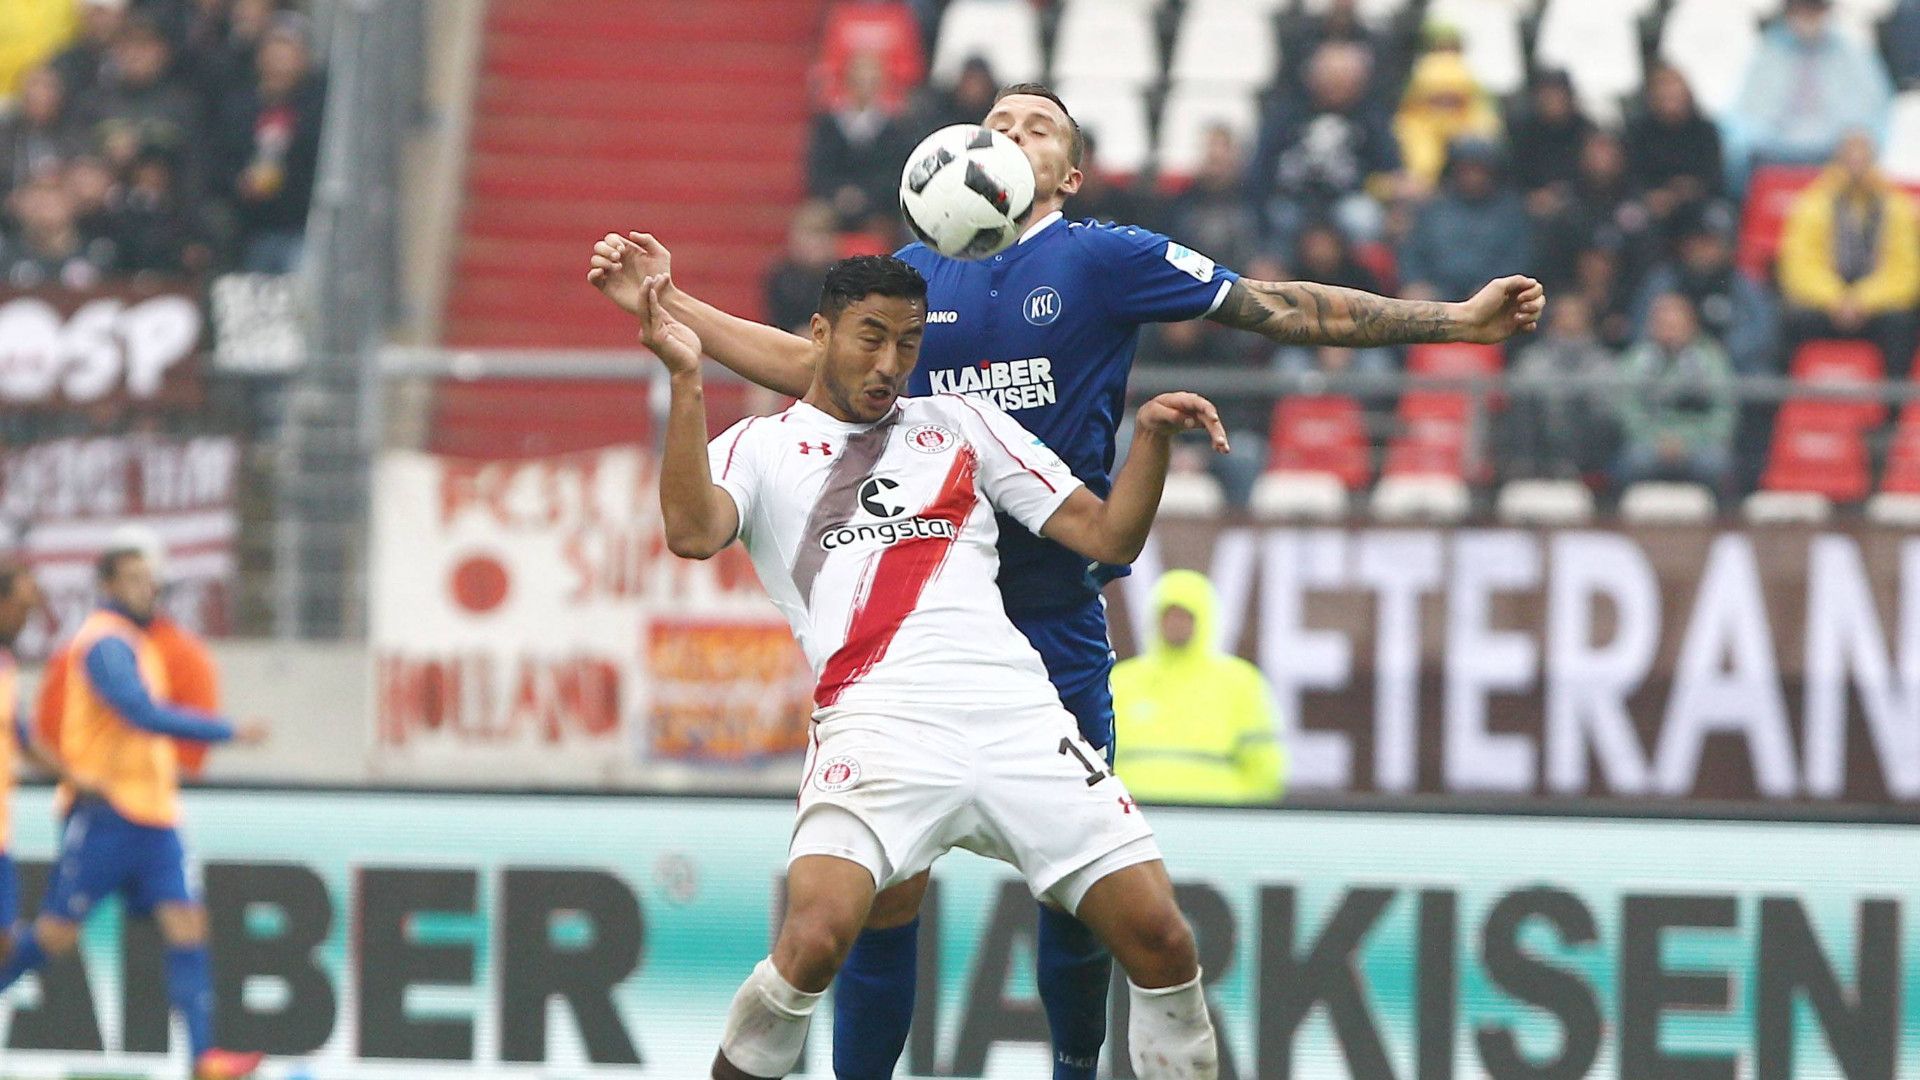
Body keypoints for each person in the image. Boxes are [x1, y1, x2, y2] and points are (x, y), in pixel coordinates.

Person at [588, 81, 1543, 1080]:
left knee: (1082, 901)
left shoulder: (1104, 257)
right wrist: (668, 305)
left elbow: (1278, 308)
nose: (1009, 137)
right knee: (881, 900)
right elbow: (815, 366)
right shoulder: (916, 276)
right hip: (909, 637)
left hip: (1048, 616)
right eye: (996, 123)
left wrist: (1454, 322)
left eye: (1038, 127)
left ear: (1070, 174)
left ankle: (1074, 1068)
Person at [632, 257, 1224, 1079]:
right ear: (820, 334)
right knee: (811, 942)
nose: (888, 366)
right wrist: (687, 378)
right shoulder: (761, 448)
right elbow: (694, 530)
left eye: (908, 344)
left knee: (1163, 939)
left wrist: (1151, 437)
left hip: (1018, 717)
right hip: (879, 723)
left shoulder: (959, 424)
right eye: (871, 339)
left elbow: (1108, 537)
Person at [0, 548, 268, 1080]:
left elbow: (21, 732)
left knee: (188, 922)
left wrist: (61, 770)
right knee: (54, 935)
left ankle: (205, 1058)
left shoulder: (134, 644)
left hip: (154, 815)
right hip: (106, 815)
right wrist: (226, 730)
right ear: (107, 585)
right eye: (134, 579)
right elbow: (138, 710)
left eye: (152, 579)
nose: (148, 588)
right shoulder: (103, 642)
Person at [1111, 570, 1284, 805]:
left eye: (1185, 615)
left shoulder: (1240, 682)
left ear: (1205, 618)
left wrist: (1240, 816)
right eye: (1168, 615)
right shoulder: (1120, 680)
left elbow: (1266, 768)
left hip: (1215, 825)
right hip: (1132, 821)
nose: (1175, 623)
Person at [1778, 131, 1920, 377]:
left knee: (1902, 324)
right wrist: (1837, 299)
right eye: (1849, 160)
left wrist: (1862, 301)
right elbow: (1799, 267)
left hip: (1877, 306)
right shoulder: (1813, 203)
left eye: (1863, 160)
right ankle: (1779, 408)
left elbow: (1906, 272)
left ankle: (1893, 409)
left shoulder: (1896, 207)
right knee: (1789, 321)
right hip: (1826, 304)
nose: (1857, 168)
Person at [1249, 41, 1401, 246]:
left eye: (1345, 79)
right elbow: (1262, 164)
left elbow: (1390, 166)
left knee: (1364, 219)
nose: (1336, 86)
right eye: (1330, 77)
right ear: (1313, 78)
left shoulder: (1370, 118)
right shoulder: (1287, 113)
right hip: (1292, 198)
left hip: (1347, 199)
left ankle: (1359, 277)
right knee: (1275, 218)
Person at [1725, 0, 1892, 180]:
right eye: (1801, 9)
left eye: (1814, 9)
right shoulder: (1769, 52)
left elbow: (1874, 111)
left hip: (1834, 157)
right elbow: (1744, 113)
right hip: (1774, 156)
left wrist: (1860, 138)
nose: (1808, 16)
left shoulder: (1852, 54)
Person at [214, 15, 324, 273]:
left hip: (300, 226)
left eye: (289, 50)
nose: (280, 59)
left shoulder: (317, 106)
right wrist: (237, 182)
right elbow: (221, 157)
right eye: (274, 49)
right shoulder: (240, 106)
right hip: (252, 229)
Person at [1631, 199, 1777, 375]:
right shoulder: (1664, 281)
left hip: (1734, 372)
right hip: (1667, 369)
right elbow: (1639, 331)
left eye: (1714, 242)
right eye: (1700, 241)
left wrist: (1713, 355)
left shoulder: (1744, 285)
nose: (1705, 249)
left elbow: (1763, 334)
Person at [0, 563, 63, 965]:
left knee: (5, 944)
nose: (26, 621)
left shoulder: (6, 665)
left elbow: (19, 736)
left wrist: (76, 775)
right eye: (22, 609)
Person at [1613, 293, 1737, 491]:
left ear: (1692, 326)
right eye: (1663, 325)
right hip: (1649, 443)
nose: (1670, 332)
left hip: (1698, 445)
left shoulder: (1711, 359)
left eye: (1676, 326)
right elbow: (1626, 410)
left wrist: (1687, 442)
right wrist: (1657, 440)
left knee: (1717, 463)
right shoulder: (1636, 360)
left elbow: (1724, 413)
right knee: (1633, 461)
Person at [1399, 138, 1533, 301]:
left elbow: (1518, 259)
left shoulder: (1511, 212)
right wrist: (1416, 282)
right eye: (1466, 169)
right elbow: (1412, 253)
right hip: (1437, 293)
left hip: (1491, 295)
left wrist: (1494, 287)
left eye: (1479, 169)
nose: (1473, 176)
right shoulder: (1433, 209)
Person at [1503, 293, 1617, 479]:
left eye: (1576, 315)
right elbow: (1520, 400)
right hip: (1541, 446)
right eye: (1565, 314)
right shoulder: (1531, 360)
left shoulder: (1604, 362)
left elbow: (1605, 411)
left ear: (1587, 320)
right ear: (1553, 319)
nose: (1570, 321)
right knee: (1525, 406)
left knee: (1595, 413)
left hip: (1585, 450)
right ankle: (1527, 470)